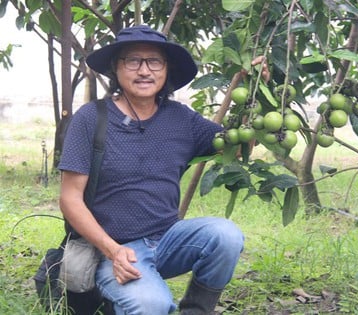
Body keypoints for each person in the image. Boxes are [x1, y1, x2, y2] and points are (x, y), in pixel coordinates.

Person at [59, 25, 266, 314]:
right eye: (133, 60)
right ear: (116, 69)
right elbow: (70, 198)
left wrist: (253, 92)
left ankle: (195, 310)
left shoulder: (181, 119)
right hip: (113, 250)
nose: (144, 70)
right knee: (151, 305)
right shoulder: (91, 118)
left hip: (168, 240)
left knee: (226, 235)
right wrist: (113, 250)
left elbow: (239, 145)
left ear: (166, 69)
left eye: (154, 61)